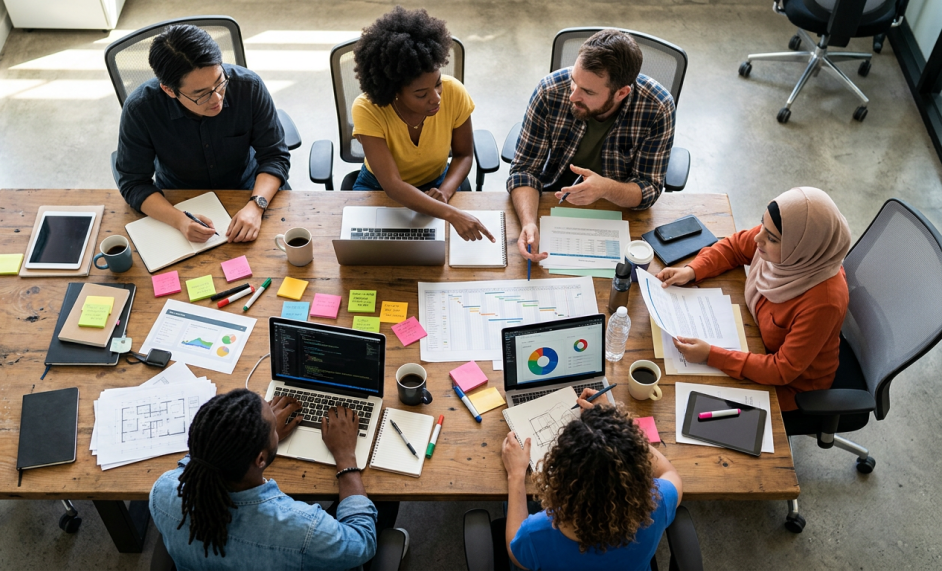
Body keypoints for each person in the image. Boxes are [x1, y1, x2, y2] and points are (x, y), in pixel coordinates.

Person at [150, 389, 403, 570]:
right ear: (260, 460)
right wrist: (346, 457)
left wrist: (253, 435)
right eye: (272, 425)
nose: (274, 420)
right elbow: (361, 543)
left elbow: (201, 457)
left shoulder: (163, 490)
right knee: (382, 496)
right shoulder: (304, 530)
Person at [657, 186, 851, 412]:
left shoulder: (824, 302)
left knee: (688, 404)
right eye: (762, 224)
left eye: (771, 238)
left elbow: (782, 370)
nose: (758, 237)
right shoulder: (787, 248)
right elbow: (735, 247)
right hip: (754, 343)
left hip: (791, 386)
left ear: (801, 248)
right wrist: (692, 271)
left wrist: (711, 355)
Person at [510, 29, 676, 263]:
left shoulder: (658, 107)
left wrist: (606, 188)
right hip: (550, 199)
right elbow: (524, 170)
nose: (572, 96)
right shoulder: (549, 91)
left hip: (616, 209)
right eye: (573, 82)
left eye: (587, 91)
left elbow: (648, 189)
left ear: (621, 93)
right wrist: (528, 222)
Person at [116, 24, 290, 244]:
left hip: (249, 190)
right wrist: (179, 220)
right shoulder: (141, 108)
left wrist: (256, 206)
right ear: (169, 90)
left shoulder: (249, 87)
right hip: (179, 200)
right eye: (201, 94)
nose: (217, 98)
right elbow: (133, 182)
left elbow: (275, 156)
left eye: (220, 82)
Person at [351, 6, 494, 242]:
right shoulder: (367, 108)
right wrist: (452, 215)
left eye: (437, 83)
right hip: (379, 186)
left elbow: (463, 155)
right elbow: (393, 185)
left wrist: (445, 193)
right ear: (394, 92)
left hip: (437, 181)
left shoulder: (454, 92)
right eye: (421, 94)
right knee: (373, 252)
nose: (437, 97)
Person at [501, 396, 682, 571]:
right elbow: (669, 472)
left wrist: (516, 475)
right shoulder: (657, 503)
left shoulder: (536, 534)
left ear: (563, 478)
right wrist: (619, 430)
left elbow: (514, 551)